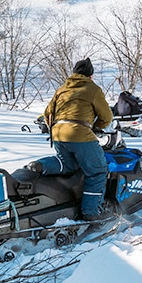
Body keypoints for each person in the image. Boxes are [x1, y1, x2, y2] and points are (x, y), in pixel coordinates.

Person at [39, 58, 115, 221]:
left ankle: (41, 166)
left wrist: (55, 128)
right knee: (98, 172)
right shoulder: (92, 89)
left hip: (58, 134)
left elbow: (47, 114)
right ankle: (91, 212)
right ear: (90, 76)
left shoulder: (62, 89)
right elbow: (107, 117)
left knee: (69, 165)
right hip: (80, 134)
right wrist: (97, 126)